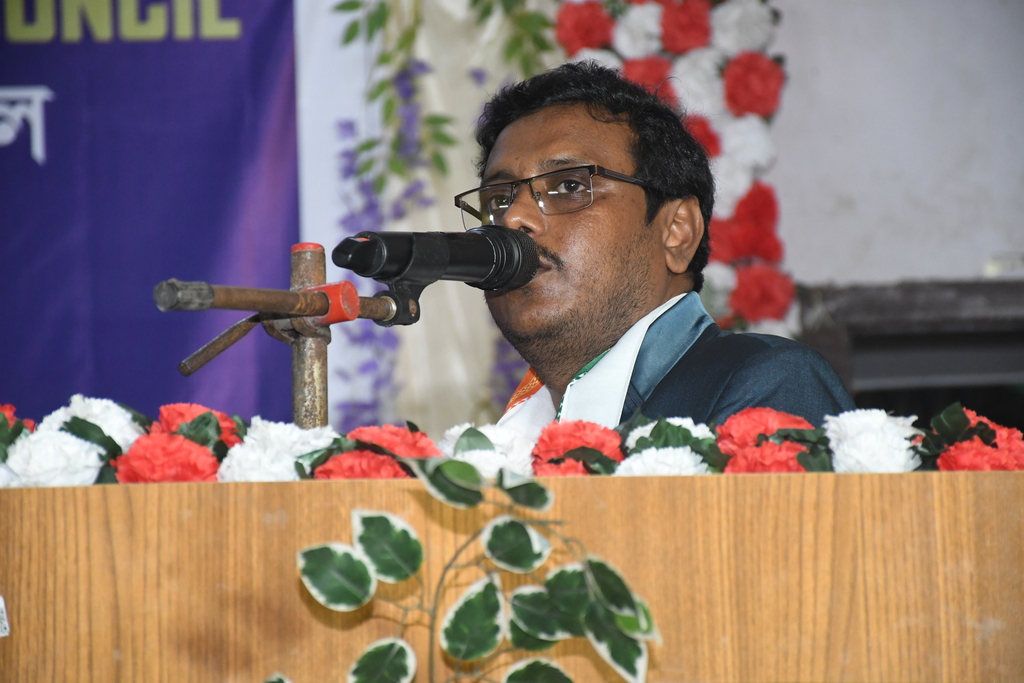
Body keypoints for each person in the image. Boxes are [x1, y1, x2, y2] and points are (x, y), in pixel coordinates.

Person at [454, 61, 853, 441]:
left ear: (677, 231)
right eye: (499, 199)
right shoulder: (518, 431)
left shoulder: (767, 384)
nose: (513, 218)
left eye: (570, 186)